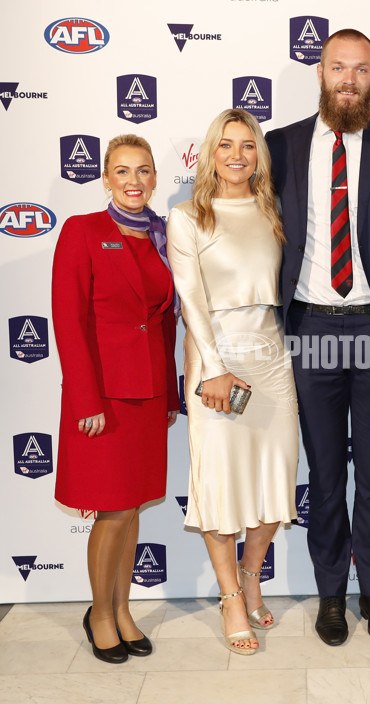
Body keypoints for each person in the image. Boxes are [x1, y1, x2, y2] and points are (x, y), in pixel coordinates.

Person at [265, 29, 370, 646]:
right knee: (327, 474)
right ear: (321, 73)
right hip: (309, 327)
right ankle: (331, 595)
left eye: (361, 70)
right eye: (339, 68)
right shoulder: (280, 146)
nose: (350, 80)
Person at [166, 109, 299, 656]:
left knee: (275, 478)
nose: (238, 155)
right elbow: (190, 299)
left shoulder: (273, 210)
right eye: (226, 145)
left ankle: (250, 574)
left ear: (259, 155)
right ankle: (228, 598)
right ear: (210, 153)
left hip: (271, 357)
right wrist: (214, 368)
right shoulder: (187, 215)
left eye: (248, 145)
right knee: (220, 484)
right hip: (215, 356)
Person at [52, 134, 180, 663]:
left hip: (149, 395)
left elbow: (166, 322)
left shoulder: (162, 236)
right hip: (101, 399)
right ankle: (99, 614)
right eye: (122, 172)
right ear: (105, 178)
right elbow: (68, 320)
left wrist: (171, 392)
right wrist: (86, 402)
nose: (133, 182)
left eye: (143, 171)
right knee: (110, 511)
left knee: (131, 513)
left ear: (154, 178)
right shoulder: (82, 232)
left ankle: (123, 609)